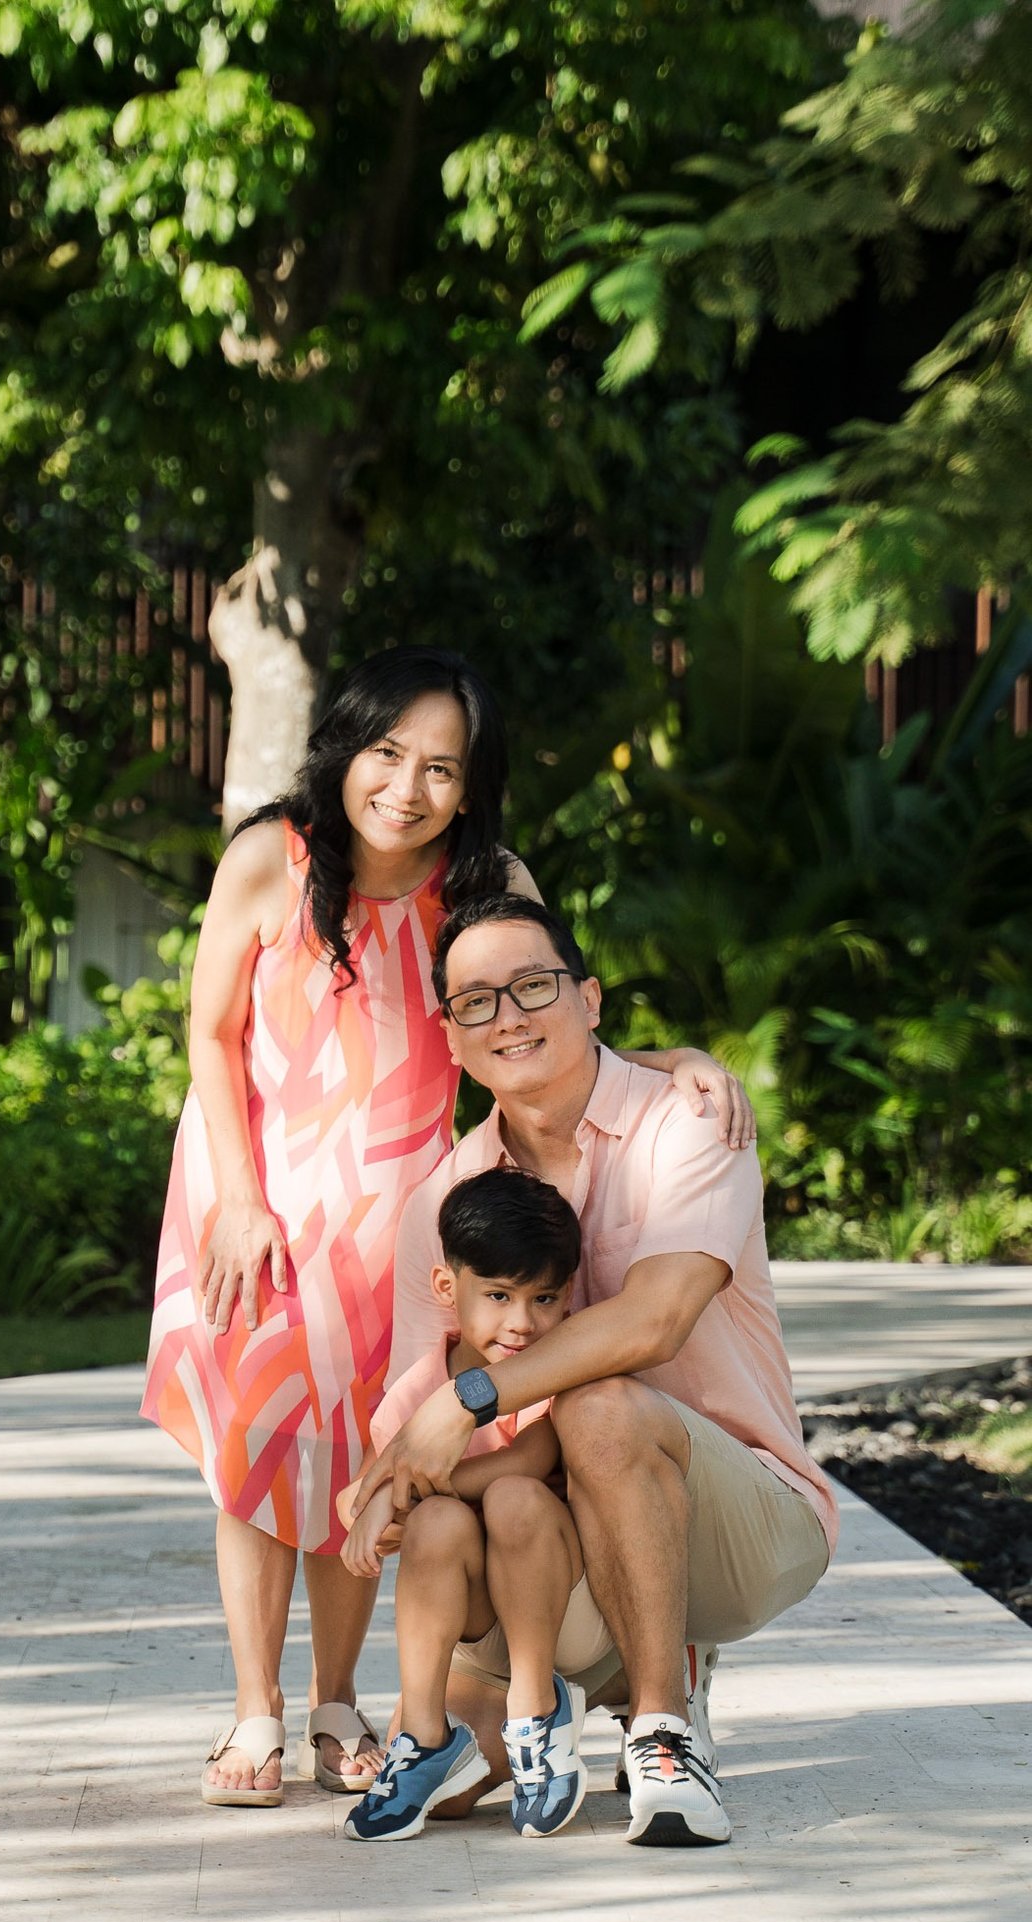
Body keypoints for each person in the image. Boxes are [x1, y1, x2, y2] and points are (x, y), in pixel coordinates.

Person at [141, 648, 751, 1807]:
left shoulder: (485, 877)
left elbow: (549, 1010)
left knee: (359, 1444)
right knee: (261, 1443)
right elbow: (210, 1033)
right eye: (387, 754)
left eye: (441, 767)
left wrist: (673, 1058)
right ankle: (252, 1713)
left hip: (406, 1204)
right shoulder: (270, 857)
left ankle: (335, 1706)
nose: (407, 787)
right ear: (346, 748)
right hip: (256, 1190)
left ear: (471, 786)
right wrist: (238, 1201)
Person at [350, 892, 837, 1846]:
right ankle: (574, 1689)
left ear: (591, 999)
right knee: (455, 1765)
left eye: (534, 986)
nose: (508, 1017)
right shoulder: (446, 1201)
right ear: (451, 1036)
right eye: (476, 1001)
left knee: (601, 1405)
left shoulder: (690, 1122)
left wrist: (469, 1400)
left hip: (737, 1515)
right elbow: (412, 1399)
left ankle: (661, 1726)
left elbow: (655, 1322)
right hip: (546, 1527)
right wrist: (390, 1485)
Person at [339, 1167, 616, 1843]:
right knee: (436, 1521)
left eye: (545, 1298)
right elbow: (361, 1499)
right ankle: (428, 1739)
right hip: (481, 1623)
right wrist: (376, 1501)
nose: (522, 1322)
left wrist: (393, 1492)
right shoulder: (418, 1392)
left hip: (569, 1605)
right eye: (498, 1295)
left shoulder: (558, 1372)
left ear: (569, 1295)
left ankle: (536, 1708)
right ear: (447, 1287)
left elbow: (528, 1461)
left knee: (513, 1497)